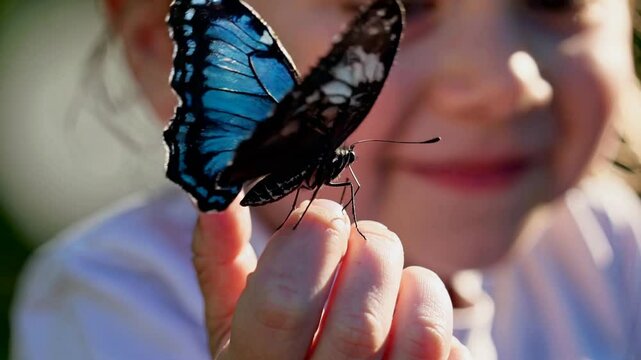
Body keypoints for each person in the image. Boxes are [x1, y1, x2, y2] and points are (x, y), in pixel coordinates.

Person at [11, 0, 641, 358]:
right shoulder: (115, 292)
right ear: (157, 50)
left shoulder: (613, 247)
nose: (506, 85)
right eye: (411, 3)